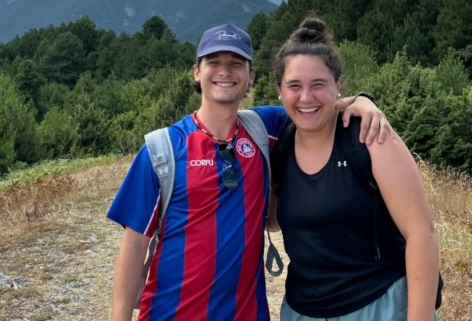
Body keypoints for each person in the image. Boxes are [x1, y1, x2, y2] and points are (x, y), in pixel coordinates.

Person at [107, 23, 390, 321]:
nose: (225, 72)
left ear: (250, 76)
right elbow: (134, 248)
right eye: (213, 62)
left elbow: (310, 104)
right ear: (196, 72)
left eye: (236, 64)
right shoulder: (161, 150)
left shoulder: (262, 129)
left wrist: (362, 101)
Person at [268, 17, 440, 321]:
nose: (306, 97)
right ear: (280, 91)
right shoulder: (280, 144)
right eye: (294, 86)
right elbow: (275, 223)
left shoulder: (370, 137)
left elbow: (421, 235)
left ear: (338, 86)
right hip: (301, 311)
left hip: (378, 307)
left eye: (318, 85)